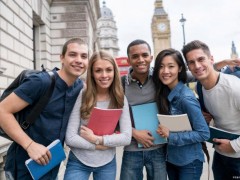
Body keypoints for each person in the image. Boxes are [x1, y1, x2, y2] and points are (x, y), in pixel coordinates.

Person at [0, 37, 88, 179]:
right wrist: (29, 145)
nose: (79, 60)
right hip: (25, 164)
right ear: (62, 58)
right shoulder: (41, 81)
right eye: (73, 54)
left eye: (84, 56)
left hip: (52, 164)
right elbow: (2, 110)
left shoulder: (79, 87)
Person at [64, 50, 132, 180]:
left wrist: (97, 139)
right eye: (98, 70)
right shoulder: (82, 95)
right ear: (92, 73)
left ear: (114, 72)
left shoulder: (120, 98)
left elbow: (126, 137)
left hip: (107, 163)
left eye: (108, 70)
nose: (104, 75)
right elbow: (70, 137)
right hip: (78, 161)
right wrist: (98, 145)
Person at [182, 40, 240, 180]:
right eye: (191, 62)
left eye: (201, 59)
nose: (197, 66)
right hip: (221, 156)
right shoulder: (199, 88)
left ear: (211, 59)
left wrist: (234, 145)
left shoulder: (235, 88)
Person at [152, 48, 210, 180]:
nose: (165, 71)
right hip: (171, 159)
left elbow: (203, 133)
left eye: (171, 66)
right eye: (161, 67)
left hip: (189, 163)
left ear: (179, 68)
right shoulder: (165, 93)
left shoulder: (186, 98)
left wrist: (171, 135)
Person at [120, 39, 167, 180]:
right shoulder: (120, 84)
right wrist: (133, 133)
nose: (141, 60)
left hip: (158, 148)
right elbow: (113, 117)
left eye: (145, 55)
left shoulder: (161, 78)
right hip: (131, 150)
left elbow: (190, 76)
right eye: (135, 56)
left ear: (151, 58)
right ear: (129, 60)